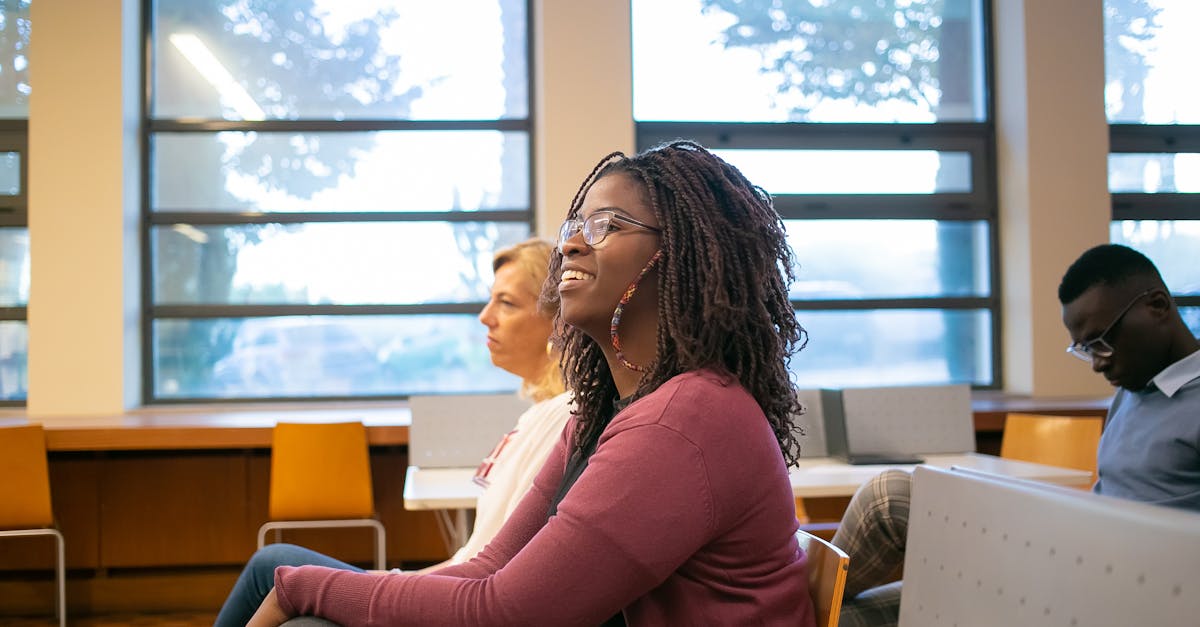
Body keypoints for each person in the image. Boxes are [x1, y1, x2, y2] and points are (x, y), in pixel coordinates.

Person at [247, 141, 816, 626]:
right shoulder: (605, 413)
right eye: (576, 226)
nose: (570, 244)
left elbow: (506, 613)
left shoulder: (683, 418)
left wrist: (306, 586)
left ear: (683, 256)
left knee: (304, 612)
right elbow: (487, 566)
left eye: (608, 226)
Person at [833, 242, 1200, 627]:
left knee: (888, 497)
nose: (1096, 364)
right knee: (839, 617)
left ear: (1157, 306)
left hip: (1111, 594)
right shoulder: (1132, 390)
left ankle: (781, 600)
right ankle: (784, 607)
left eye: (1102, 341)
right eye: (1085, 349)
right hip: (1069, 565)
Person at [214, 239, 573, 626]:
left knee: (273, 568)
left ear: (559, 321)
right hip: (453, 584)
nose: (485, 316)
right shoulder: (538, 415)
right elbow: (473, 557)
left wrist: (387, 584)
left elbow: (488, 570)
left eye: (507, 303)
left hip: (460, 599)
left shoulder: (559, 418)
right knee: (274, 569)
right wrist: (394, 580)